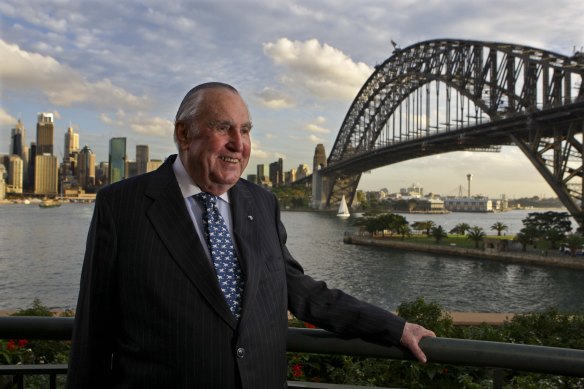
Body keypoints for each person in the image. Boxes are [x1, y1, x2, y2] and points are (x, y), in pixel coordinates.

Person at [67, 82, 435, 389]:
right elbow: (92, 333)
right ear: (184, 133)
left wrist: (393, 327)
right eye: (223, 127)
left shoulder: (262, 202)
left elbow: (298, 288)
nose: (238, 144)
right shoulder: (122, 205)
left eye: (245, 131)